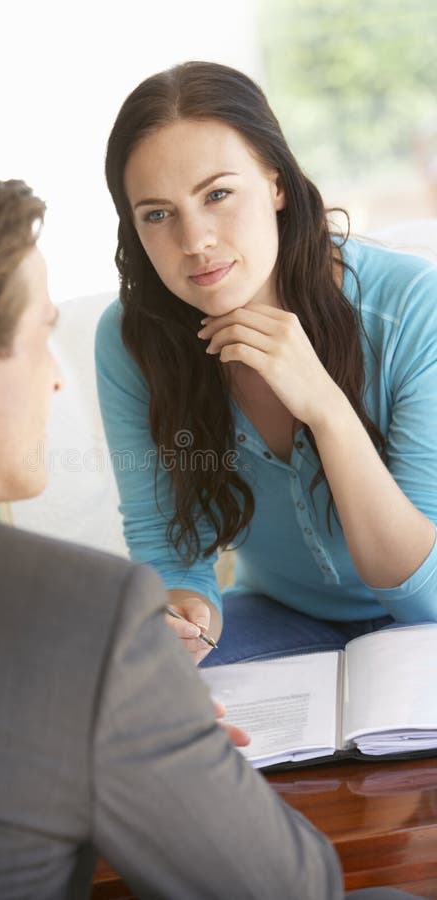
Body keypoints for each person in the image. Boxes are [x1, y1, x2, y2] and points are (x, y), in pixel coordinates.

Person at [0, 160, 412, 900]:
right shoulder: (81, 618)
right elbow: (290, 889)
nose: (52, 378)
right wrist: (149, 730)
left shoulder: (399, 305)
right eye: (41, 336)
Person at [96, 60, 437, 668]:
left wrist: (328, 409)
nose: (194, 239)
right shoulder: (131, 343)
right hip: (276, 615)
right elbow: (168, 553)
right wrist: (186, 618)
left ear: (276, 184)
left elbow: (423, 601)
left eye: (218, 194)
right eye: (157, 213)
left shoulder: (413, 306)